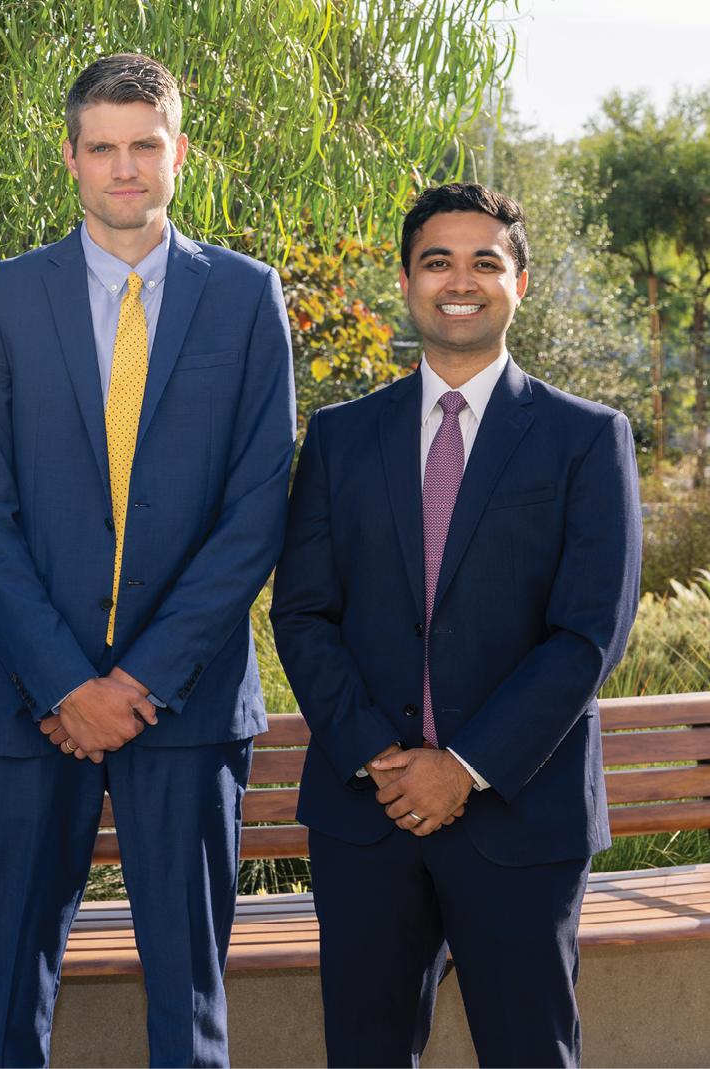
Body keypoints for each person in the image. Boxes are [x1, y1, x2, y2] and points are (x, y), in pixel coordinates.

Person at [0, 52, 298, 1069]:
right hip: (28, 705)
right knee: (10, 993)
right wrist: (63, 680)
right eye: (103, 148)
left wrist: (139, 680)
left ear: (178, 152)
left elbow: (254, 509)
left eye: (146, 145)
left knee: (189, 1005)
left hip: (184, 706)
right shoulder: (1, 299)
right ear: (71, 159)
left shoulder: (245, 296)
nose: (126, 168)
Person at [270, 182, 640, 1067]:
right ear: (406, 281)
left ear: (521, 283)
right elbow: (303, 610)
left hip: (521, 815)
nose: (459, 279)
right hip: (368, 813)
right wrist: (380, 757)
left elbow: (588, 634)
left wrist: (463, 769)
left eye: (486, 261)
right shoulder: (339, 437)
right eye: (437, 260)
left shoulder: (586, 438)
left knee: (529, 1052)